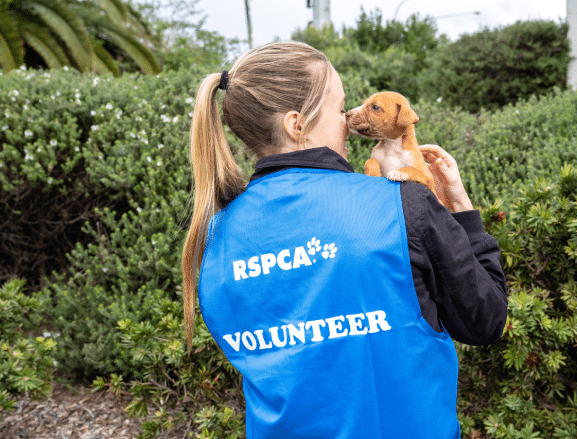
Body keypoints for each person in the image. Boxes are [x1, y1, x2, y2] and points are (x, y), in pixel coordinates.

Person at [181, 41, 508, 439]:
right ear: (296, 125)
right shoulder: (401, 204)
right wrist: (462, 211)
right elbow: (485, 320)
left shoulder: (215, 236)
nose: (348, 120)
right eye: (339, 109)